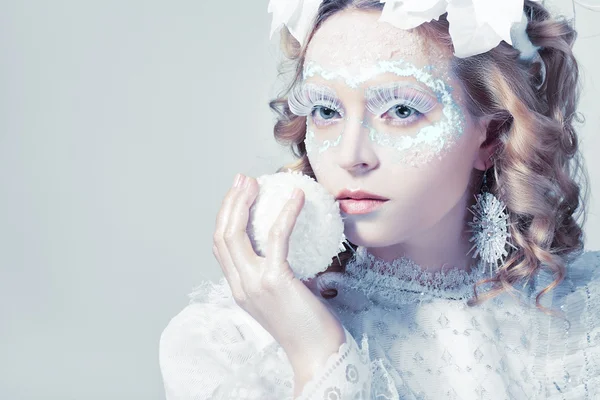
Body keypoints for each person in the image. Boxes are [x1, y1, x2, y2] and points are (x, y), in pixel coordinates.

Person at [158, 0, 600, 398]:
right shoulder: (225, 342)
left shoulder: (583, 316)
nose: (351, 156)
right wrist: (317, 359)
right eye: (326, 112)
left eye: (401, 111)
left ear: (492, 136)